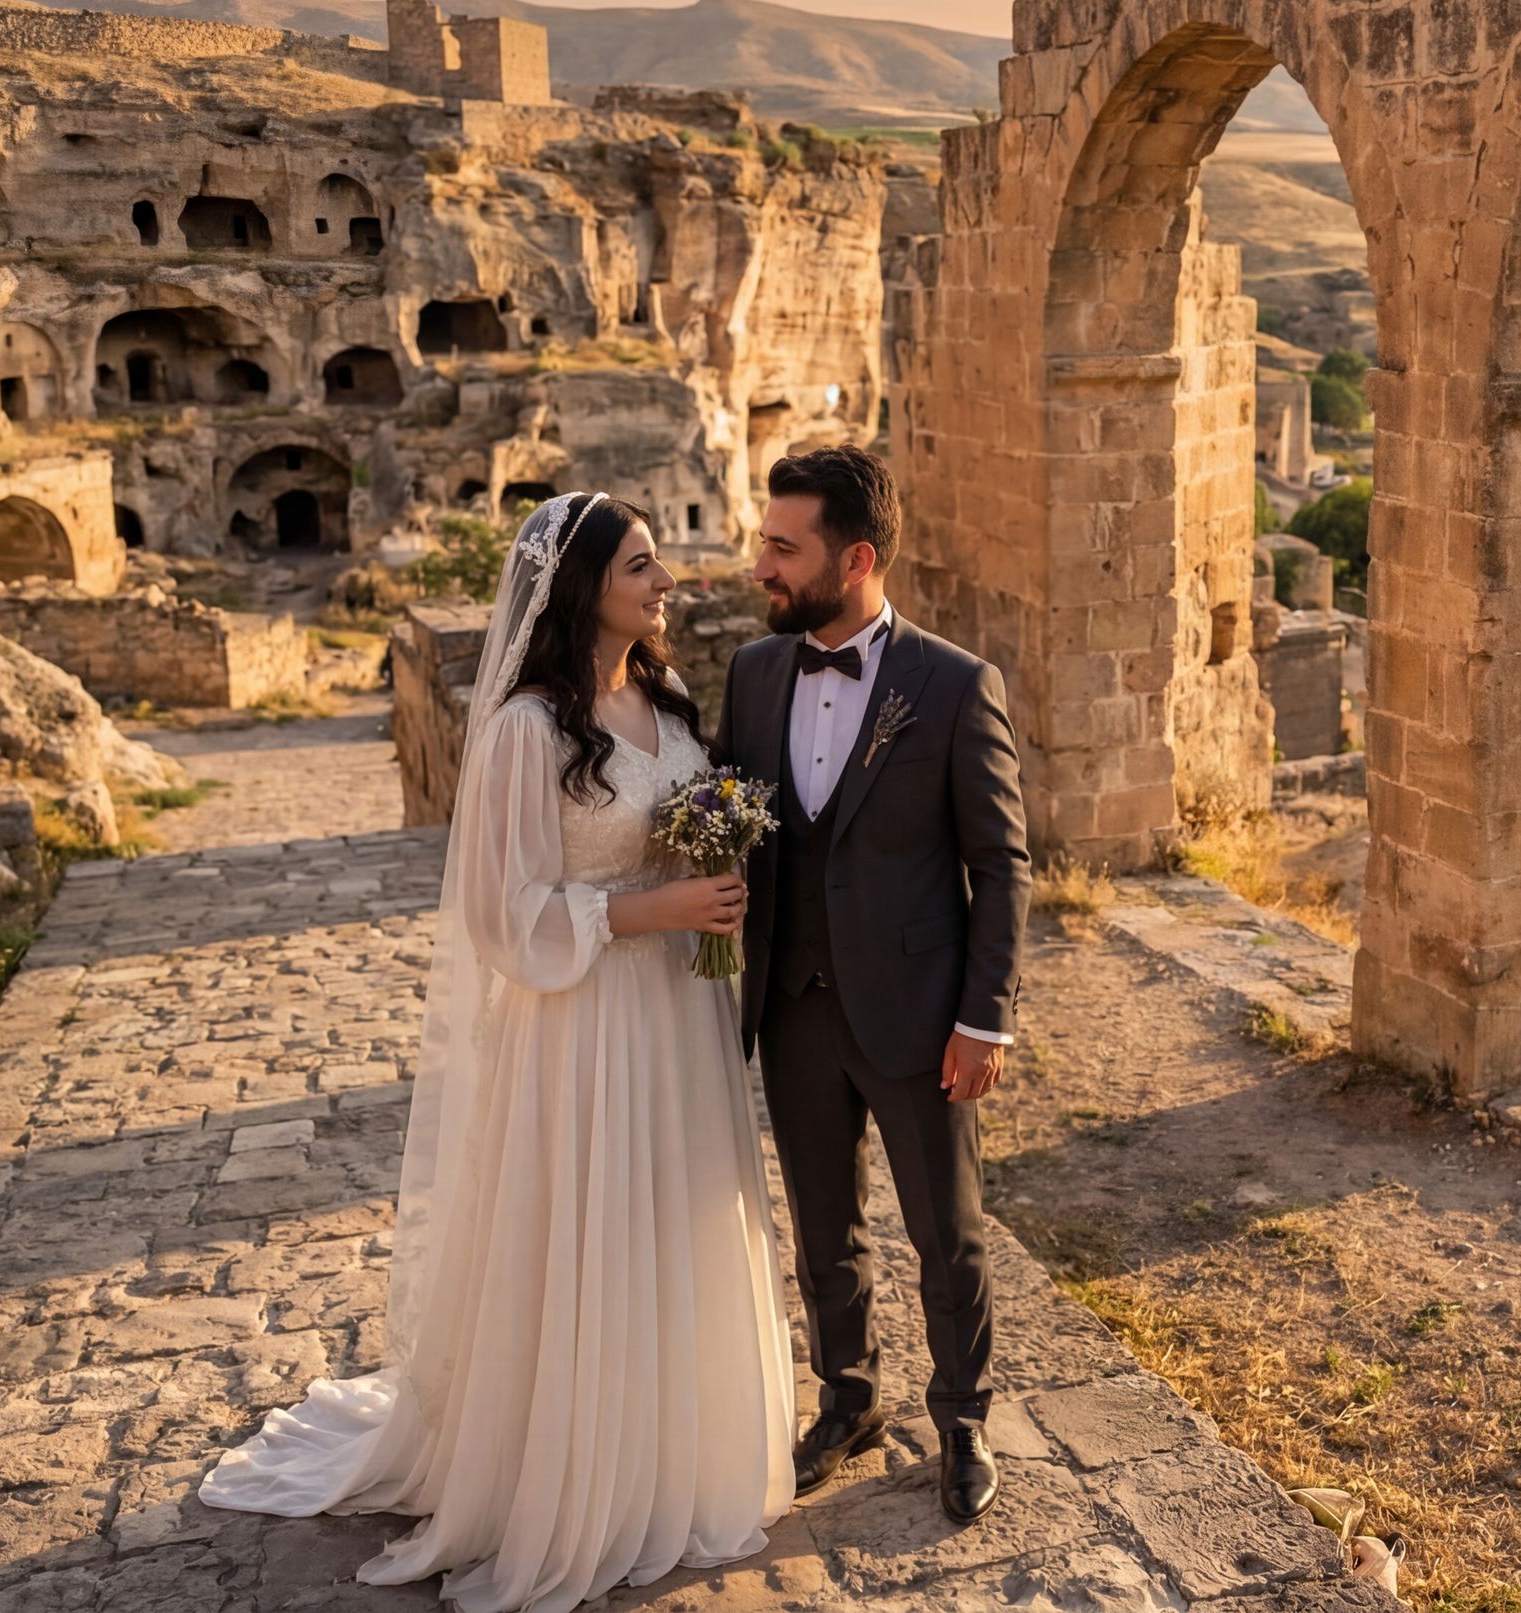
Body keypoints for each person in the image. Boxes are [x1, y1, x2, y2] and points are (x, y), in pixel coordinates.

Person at [201, 493, 793, 1613]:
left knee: (671, 1221)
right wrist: (648, 912)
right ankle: (579, 1477)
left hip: (675, 1020)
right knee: (593, 1228)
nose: (666, 583)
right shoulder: (526, 728)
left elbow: (677, 826)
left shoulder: (665, 698)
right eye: (640, 566)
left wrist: (712, 878)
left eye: (660, 563)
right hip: (582, 1028)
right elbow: (501, 914)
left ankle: (672, 1450)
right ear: (582, 589)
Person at [724, 446, 1030, 1523]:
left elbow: (1000, 864)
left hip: (917, 1012)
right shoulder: (754, 672)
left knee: (946, 1233)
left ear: (854, 559)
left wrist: (982, 1018)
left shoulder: (953, 685)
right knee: (823, 1228)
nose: (760, 563)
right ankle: (847, 1398)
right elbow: (734, 819)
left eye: (781, 547)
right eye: (764, 540)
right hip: (793, 1006)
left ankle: (962, 1420)